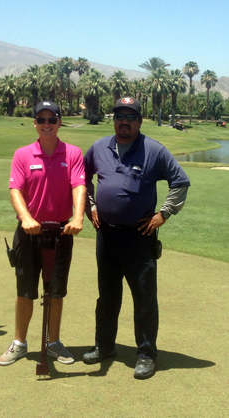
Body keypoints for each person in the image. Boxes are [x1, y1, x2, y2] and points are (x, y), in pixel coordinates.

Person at [83, 97, 190, 379]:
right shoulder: (98, 148)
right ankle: (104, 346)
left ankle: (145, 354)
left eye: (131, 116)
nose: (125, 121)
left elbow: (180, 181)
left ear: (139, 122)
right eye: (120, 115)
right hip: (106, 235)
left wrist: (164, 214)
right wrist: (90, 206)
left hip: (139, 238)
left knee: (143, 298)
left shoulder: (153, 150)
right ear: (114, 119)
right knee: (107, 297)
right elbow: (81, 179)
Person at [0, 100, 86, 366]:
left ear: (59, 122)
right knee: (25, 289)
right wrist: (25, 218)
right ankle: (20, 343)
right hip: (29, 232)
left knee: (56, 290)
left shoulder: (72, 153)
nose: (46, 124)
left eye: (52, 119)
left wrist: (78, 216)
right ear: (35, 123)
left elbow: (79, 186)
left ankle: (53, 343)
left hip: (61, 231)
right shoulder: (22, 155)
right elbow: (16, 190)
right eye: (41, 120)